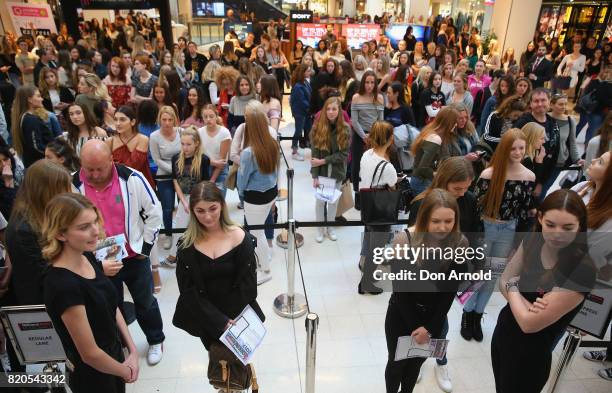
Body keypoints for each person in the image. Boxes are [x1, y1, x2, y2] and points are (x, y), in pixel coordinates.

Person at [492, 189, 595, 392]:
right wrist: (526, 306)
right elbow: (502, 280)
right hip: (504, 333)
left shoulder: (581, 269)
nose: (557, 234)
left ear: (579, 226)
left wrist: (514, 289)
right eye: (550, 225)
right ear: (540, 218)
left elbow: (530, 325)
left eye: (567, 227)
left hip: (532, 353)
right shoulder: (533, 240)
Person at [74, 140, 165, 366]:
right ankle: (122, 345)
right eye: (89, 169)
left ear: (111, 161)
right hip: (98, 259)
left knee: (145, 301)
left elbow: (155, 212)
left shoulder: (132, 178)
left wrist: (144, 248)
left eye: (100, 169)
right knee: (109, 306)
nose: (94, 175)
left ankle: (155, 339)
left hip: (133, 256)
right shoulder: (73, 183)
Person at [41, 193, 139, 393]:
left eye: (95, 221)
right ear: (60, 234)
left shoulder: (86, 256)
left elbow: (111, 306)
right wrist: (124, 370)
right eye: (84, 227)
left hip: (113, 357)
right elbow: (90, 354)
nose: (96, 231)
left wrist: (132, 350)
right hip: (93, 375)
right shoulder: (63, 285)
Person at [384, 189, 468, 393]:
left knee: (415, 365)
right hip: (402, 314)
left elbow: (449, 293)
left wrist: (429, 328)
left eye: (448, 221)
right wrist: (417, 327)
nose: (442, 227)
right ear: (424, 218)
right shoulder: (405, 241)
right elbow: (401, 291)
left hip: (434, 317)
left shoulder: (460, 243)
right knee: (396, 365)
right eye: (436, 221)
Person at [173, 181, 265, 361]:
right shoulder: (186, 246)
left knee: (238, 366)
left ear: (222, 206)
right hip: (206, 319)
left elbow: (248, 287)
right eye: (200, 211)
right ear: (192, 211)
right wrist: (218, 321)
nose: (207, 216)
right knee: (217, 364)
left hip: (238, 319)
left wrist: (230, 324)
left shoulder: (240, 237)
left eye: (212, 208)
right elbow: (188, 292)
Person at [461, 129, 536, 342]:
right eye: (513, 148)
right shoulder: (489, 174)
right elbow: (475, 207)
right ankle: (467, 313)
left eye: (521, 148)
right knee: (479, 273)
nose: (518, 152)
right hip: (487, 227)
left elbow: (524, 212)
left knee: (492, 277)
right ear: (504, 149)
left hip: (509, 229)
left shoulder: (529, 176)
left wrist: (518, 243)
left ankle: (477, 315)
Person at [237, 106, 279, 285]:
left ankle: (265, 269)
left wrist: (240, 195)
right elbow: (276, 171)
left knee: (256, 234)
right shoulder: (272, 144)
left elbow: (242, 179)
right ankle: (265, 257)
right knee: (260, 231)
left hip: (254, 198)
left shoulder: (248, 153)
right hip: (270, 193)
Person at [357, 120, 398, 295]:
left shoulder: (366, 155)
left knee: (369, 241)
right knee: (377, 249)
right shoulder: (387, 166)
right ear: (389, 140)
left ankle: (368, 274)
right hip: (381, 211)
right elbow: (393, 186)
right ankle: (365, 283)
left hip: (367, 206)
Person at [161, 127, 211, 267]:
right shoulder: (176, 158)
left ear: (196, 144)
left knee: (200, 227)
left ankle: (200, 256)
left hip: (199, 198)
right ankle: (173, 256)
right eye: (182, 144)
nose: (185, 147)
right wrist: (183, 201)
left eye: (188, 144)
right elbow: (175, 180)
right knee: (180, 226)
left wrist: (196, 202)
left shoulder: (203, 159)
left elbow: (204, 183)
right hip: (184, 198)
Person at [310, 97, 350, 243]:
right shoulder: (317, 128)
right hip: (322, 173)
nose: (331, 112)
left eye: (334, 109)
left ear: (339, 111)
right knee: (321, 202)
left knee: (333, 203)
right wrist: (315, 176)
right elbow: (314, 156)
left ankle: (330, 228)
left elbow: (343, 154)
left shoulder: (345, 128)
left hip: (337, 172)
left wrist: (324, 160)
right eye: (328, 109)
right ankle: (320, 229)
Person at [514, 88, 561, 200]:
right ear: (530, 103)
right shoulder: (523, 122)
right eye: (536, 101)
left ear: (549, 101)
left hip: (543, 178)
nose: (540, 104)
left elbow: (554, 154)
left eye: (543, 100)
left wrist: (540, 183)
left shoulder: (553, 125)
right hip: (521, 178)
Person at [150, 106, 182, 252]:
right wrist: (173, 170)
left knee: (184, 206)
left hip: (182, 174)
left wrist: (180, 170)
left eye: (170, 119)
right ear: (159, 120)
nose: (167, 123)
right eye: (164, 119)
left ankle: (184, 232)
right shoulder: (154, 136)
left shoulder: (181, 132)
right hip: (164, 175)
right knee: (167, 208)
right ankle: (168, 234)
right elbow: (156, 159)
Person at [350, 71, 385, 207]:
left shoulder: (380, 98)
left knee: (373, 165)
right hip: (360, 136)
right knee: (357, 165)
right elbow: (354, 121)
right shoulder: (356, 98)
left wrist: (374, 135)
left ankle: (371, 193)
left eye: (372, 82)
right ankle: (358, 194)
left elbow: (381, 120)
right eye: (367, 82)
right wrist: (364, 136)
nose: (369, 85)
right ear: (363, 83)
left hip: (375, 136)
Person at [410, 107, 459, 195]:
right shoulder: (435, 138)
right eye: (454, 122)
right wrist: (438, 174)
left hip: (422, 181)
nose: (456, 125)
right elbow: (422, 168)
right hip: (422, 182)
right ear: (449, 122)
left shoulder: (431, 131)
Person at [543, 93, 583, 195]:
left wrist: (577, 159)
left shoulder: (570, 120)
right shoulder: (545, 118)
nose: (564, 107)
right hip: (542, 160)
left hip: (559, 161)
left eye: (565, 104)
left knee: (545, 187)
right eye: (560, 104)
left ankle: (537, 208)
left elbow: (572, 142)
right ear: (551, 105)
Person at [106, 106, 155, 189]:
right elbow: (106, 167)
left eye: (122, 119)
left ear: (132, 122)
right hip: (118, 186)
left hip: (140, 185)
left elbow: (133, 165)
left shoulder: (142, 139)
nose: (118, 123)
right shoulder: (109, 141)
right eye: (115, 119)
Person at [10, 86, 54, 168]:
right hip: (41, 165)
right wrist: (53, 155)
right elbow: (36, 147)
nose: (42, 99)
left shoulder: (24, 117)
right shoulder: (31, 120)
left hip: (35, 164)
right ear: (29, 99)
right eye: (38, 96)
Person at [199, 105, 231, 197]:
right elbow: (198, 155)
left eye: (211, 116)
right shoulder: (199, 132)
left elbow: (222, 161)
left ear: (216, 116)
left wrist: (212, 180)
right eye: (205, 117)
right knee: (205, 199)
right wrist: (212, 162)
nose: (208, 119)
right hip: (204, 168)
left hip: (220, 170)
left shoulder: (224, 132)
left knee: (219, 200)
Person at [290, 64, 313, 160]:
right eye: (308, 71)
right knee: (298, 131)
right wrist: (311, 109)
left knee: (309, 129)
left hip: (306, 112)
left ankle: (313, 149)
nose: (310, 72)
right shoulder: (298, 86)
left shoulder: (305, 82)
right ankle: (294, 151)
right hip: (300, 112)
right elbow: (301, 102)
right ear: (302, 73)